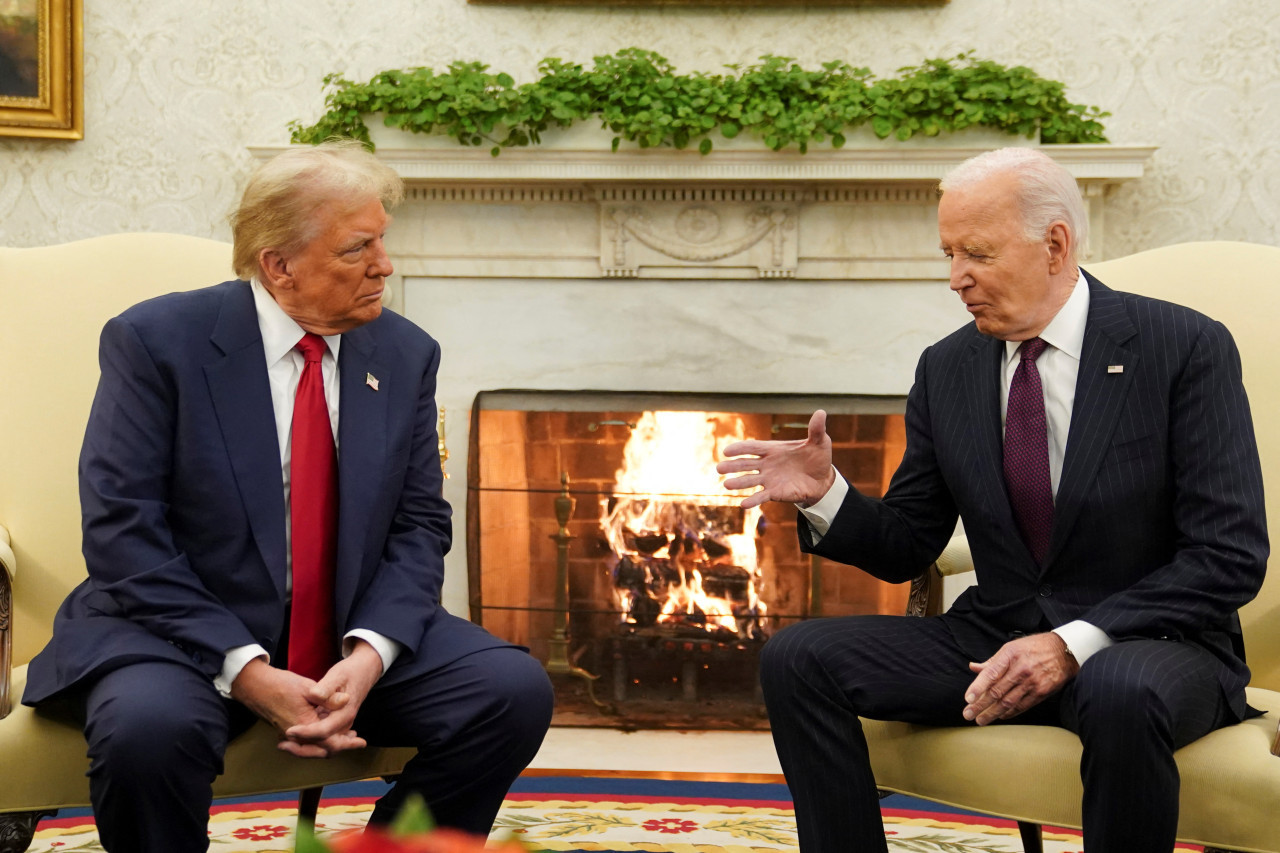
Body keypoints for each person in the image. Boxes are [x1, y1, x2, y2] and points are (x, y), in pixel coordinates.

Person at [717, 147, 1267, 853]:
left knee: (1120, 689)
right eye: (948, 253)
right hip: (996, 637)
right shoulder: (947, 366)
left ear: (1056, 245)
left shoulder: (1182, 346)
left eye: (976, 252)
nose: (955, 279)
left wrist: (1070, 644)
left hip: (1153, 644)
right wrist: (828, 495)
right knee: (798, 657)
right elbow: (911, 540)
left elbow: (1227, 556)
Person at [22, 140, 554, 852]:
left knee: (509, 691)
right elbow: (124, 530)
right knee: (147, 732)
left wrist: (368, 655)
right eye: (357, 248)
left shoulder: (404, 352)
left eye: (383, 241)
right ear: (279, 265)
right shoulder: (157, 341)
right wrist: (248, 671)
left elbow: (421, 523)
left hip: (342, 626)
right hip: (177, 631)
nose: (384, 265)